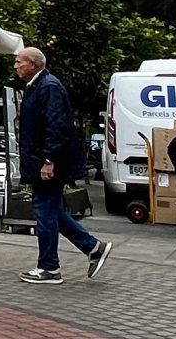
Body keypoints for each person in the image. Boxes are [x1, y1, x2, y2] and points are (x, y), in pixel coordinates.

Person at [16, 46, 108, 284]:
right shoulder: (39, 86)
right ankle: (93, 247)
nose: (16, 66)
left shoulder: (48, 87)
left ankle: (49, 268)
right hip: (44, 161)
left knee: (44, 211)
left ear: (34, 64)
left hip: (49, 163)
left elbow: (56, 127)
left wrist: (48, 161)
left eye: (20, 62)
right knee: (49, 210)